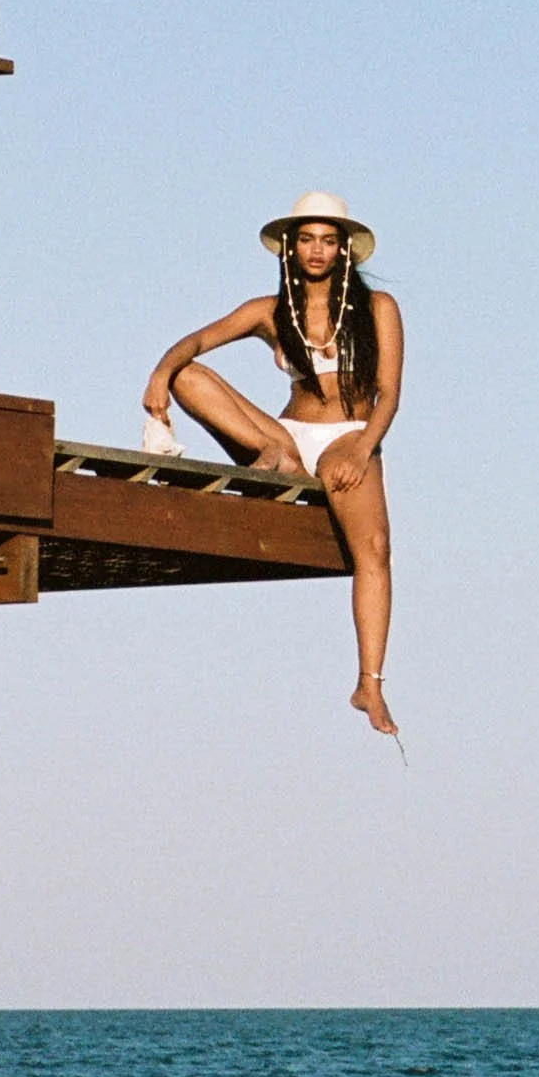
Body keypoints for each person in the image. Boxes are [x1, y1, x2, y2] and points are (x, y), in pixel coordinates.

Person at [142, 193, 403, 735]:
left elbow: (389, 394)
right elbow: (198, 340)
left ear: (343, 250)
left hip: (347, 437)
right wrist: (159, 376)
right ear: (290, 246)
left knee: (373, 548)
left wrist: (361, 447)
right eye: (306, 239)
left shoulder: (378, 309)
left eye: (328, 240)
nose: (316, 250)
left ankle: (369, 683)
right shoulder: (269, 310)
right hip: (288, 432)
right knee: (188, 373)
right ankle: (276, 457)